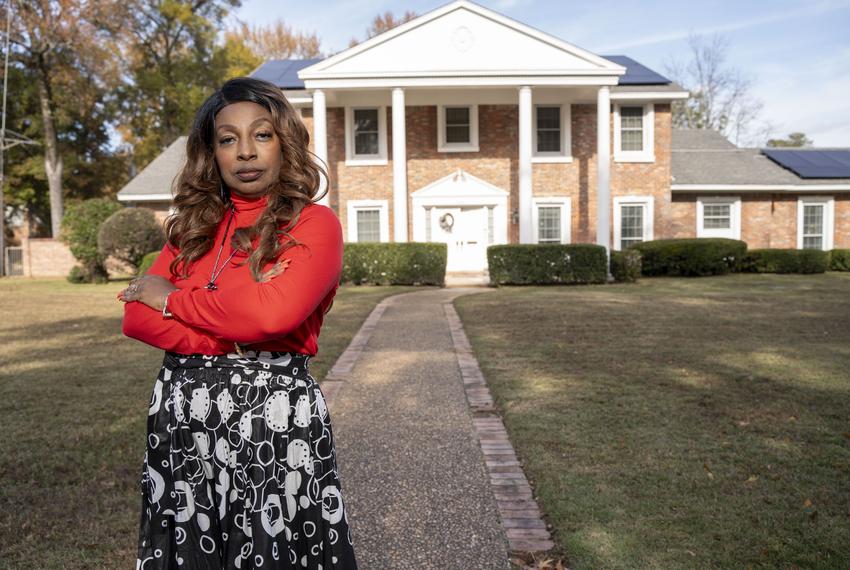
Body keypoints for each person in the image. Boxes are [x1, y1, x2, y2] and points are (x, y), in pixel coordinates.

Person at [118, 77, 358, 569]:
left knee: (270, 551)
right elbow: (137, 318)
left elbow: (272, 315)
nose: (245, 151)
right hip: (183, 426)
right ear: (213, 153)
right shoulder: (191, 230)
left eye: (262, 134)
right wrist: (237, 327)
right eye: (228, 139)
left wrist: (173, 299)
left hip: (272, 421)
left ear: (285, 142)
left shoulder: (312, 225)